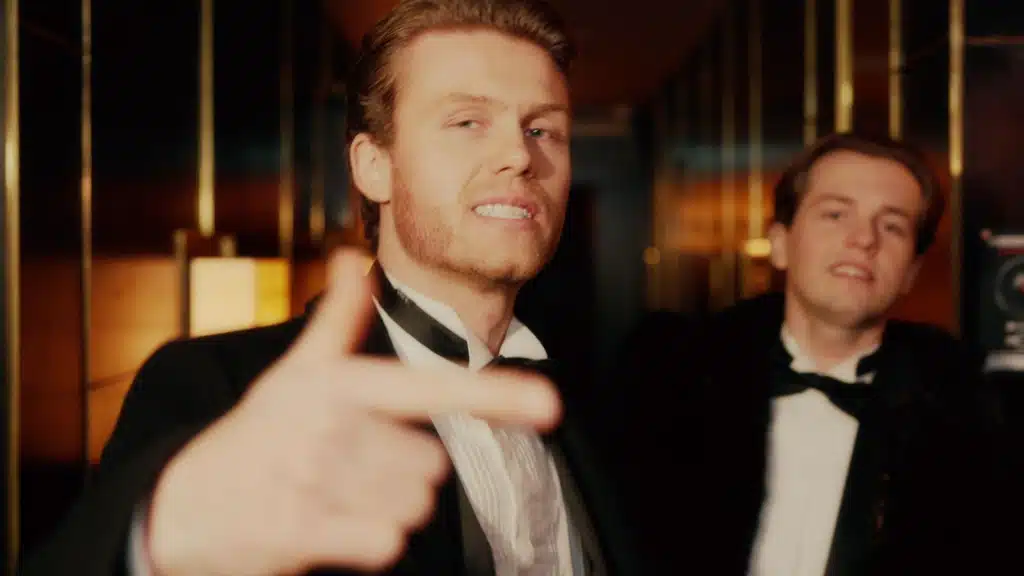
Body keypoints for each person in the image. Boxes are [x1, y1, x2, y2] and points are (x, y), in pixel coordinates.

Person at [21, 1, 639, 574]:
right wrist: (160, 541)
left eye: (542, 130)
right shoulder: (221, 389)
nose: (519, 155)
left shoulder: (591, 404)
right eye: (467, 121)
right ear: (373, 166)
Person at [612, 132, 1009, 575]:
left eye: (892, 225)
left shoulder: (971, 431)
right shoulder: (669, 389)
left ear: (910, 273)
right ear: (780, 243)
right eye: (836, 214)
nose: (864, 239)